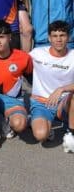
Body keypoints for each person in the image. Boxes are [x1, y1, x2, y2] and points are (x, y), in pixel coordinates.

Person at [28, 20, 74, 152]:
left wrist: (62, 89)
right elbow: (17, 60)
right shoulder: (37, 53)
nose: (58, 39)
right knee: (41, 135)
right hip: (42, 102)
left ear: (68, 37)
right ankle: (36, 120)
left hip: (64, 103)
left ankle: (71, 134)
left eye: (62, 35)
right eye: (55, 36)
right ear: (49, 38)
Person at [0, 20, 32, 139]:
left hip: (13, 100)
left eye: (1, 37)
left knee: (19, 125)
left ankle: (7, 120)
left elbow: (33, 82)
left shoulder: (23, 57)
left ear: (9, 37)